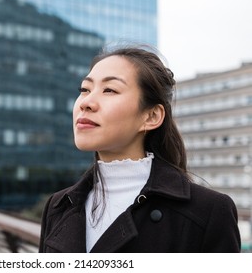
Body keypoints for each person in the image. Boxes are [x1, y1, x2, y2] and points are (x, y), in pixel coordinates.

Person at [38, 45, 241, 253]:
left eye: (110, 90)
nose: (86, 103)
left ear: (151, 116)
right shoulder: (58, 206)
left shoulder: (208, 211)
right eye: (84, 90)